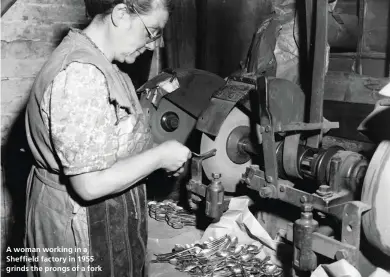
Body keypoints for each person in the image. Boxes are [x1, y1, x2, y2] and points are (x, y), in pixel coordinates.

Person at [24, 0, 191, 276]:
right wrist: (159, 157)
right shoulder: (80, 73)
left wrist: (159, 154)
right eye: (152, 32)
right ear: (122, 14)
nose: (153, 45)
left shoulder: (106, 64)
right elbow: (89, 185)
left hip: (100, 218)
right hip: (75, 225)